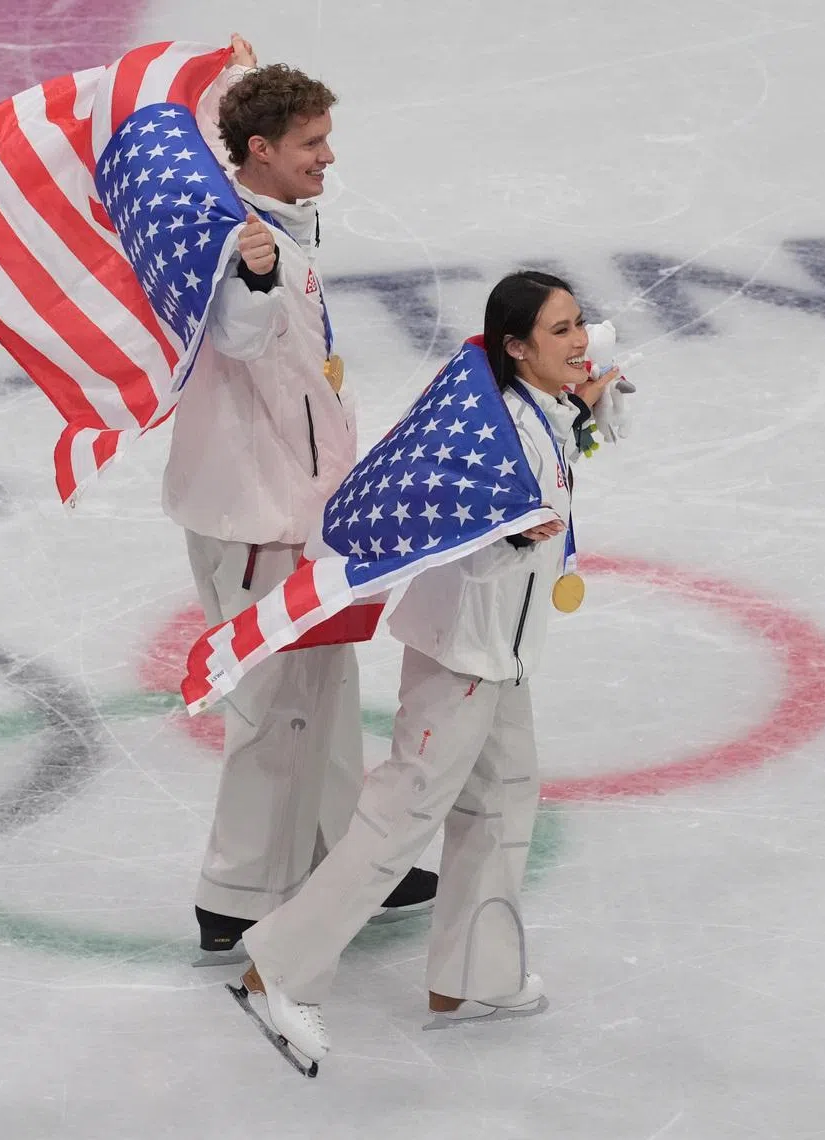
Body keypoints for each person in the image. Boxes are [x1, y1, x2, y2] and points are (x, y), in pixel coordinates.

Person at [233, 271, 620, 1071]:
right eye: (560, 331)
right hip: (463, 658)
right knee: (401, 817)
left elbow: (558, 443)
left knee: (506, 799)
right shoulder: (486, 443)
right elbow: (449, 516)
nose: (580, 340)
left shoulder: (534, 409)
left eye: (580, 323)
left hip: (501, 657)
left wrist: (585, 412)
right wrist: (509, 534)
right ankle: (277, 966)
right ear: (515, 347)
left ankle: (473, 978)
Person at [164, 35, 437, 964]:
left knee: (323, 688)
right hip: (255, 514)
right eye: (312, 141)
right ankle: (233, 894)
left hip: (294, 501)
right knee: (275, 704)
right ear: (261, 152)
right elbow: (240, 337)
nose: (328, 155)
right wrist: (247, 272)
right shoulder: (245, 243)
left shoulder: (271, 218)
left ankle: (347, 859)